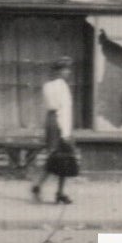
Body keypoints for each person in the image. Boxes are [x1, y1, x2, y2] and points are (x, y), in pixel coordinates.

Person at [31, 56, 77, 205]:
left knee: (60, 158)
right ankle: (44, 188)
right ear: (58, 71)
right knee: (62, 158)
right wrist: (65, 133)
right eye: (65, 69)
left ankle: (55, 191)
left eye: (68, 69)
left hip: (51, 122)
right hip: (59, 124)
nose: (67, 72)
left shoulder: (47, 86)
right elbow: (62, 110)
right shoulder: (61, 86)